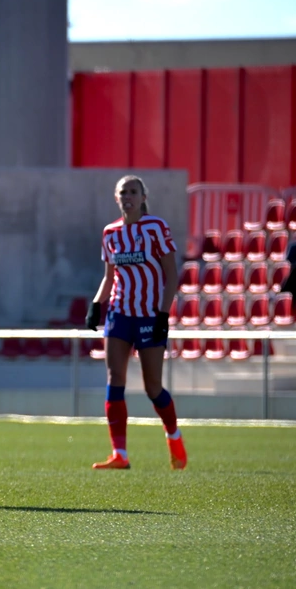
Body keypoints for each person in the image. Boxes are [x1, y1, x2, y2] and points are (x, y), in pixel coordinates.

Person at [84, 175, 187, 470]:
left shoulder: (156, 227)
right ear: (117, 198)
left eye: (133, 191)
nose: (127, 196)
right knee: (115, 379)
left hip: (149, 315)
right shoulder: (110, 232)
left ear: (143, 197)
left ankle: (174, 436)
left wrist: (164, 315)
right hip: (119, 313)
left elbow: (171, 275)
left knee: (152, 386)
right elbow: (109, 276)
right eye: (122, 192)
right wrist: (96, 304)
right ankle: (120, 454)